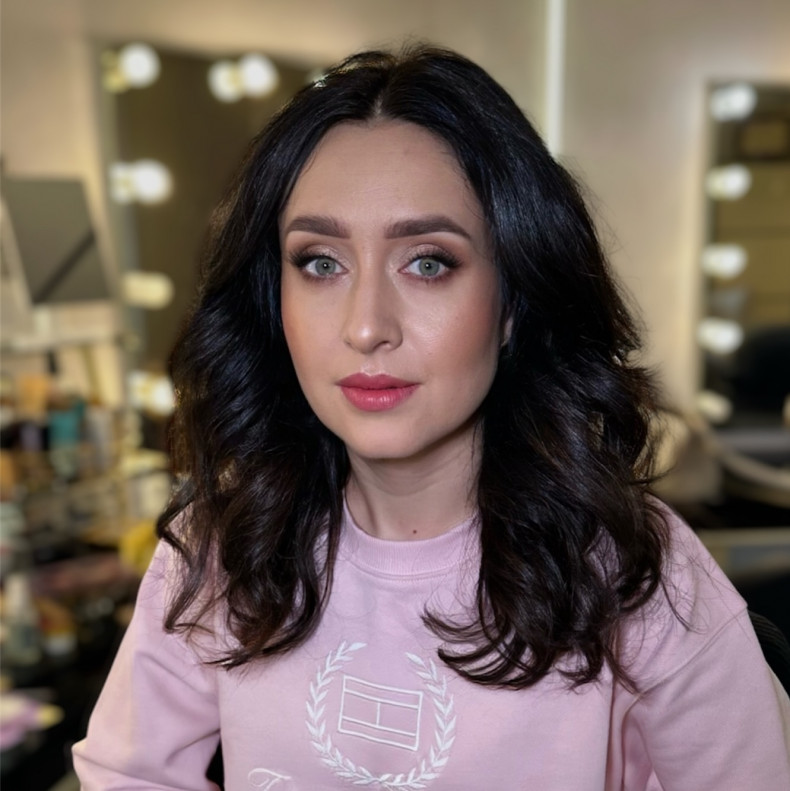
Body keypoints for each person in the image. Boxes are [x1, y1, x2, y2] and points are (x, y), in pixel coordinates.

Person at [73, 45, 790, 790]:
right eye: (320, 262)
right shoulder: (220, 546)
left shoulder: (638, 575)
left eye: (427, 262)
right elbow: (127, 773)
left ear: (512, 302)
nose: (365, 327)